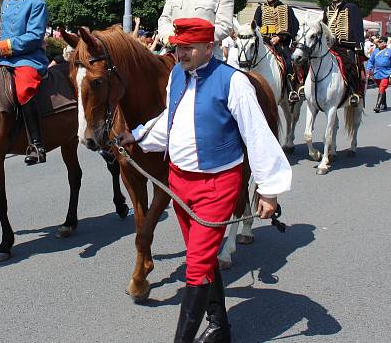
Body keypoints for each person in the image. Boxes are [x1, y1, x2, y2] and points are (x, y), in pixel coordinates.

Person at [117, 18, 292, 343]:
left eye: (188, 47)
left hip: (217, 186)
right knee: (205, 260)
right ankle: (219, 328)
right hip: (180, 183)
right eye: (178, 46)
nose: (180, 53)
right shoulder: (177, 77)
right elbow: (172, 123)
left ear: (209, 48)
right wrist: (137, 135)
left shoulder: (233, 82)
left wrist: (269, 189)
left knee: (195, 267)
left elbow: (257, 135)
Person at [0, 0, 49, 164]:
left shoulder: (37, 2)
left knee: (23, 90)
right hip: (4, 58)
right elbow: (10, 30)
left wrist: (4, 45)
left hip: (28, 58)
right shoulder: (6, 1)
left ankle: (36, 144)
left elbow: (33, 37)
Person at [253, 0, 300, 102]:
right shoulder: (260, 9)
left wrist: (280, 37)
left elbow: (293, 27)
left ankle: (292, 90)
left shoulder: (285, 8)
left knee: (289, 62)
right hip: (264, 42)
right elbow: (255, 26)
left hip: (279, 43)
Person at [322, 0, 365, 106]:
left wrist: (358, 47)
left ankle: (354, 93)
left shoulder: (350, 8)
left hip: (346, 47)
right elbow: (323, 28)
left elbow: (358, 28)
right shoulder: (327, 9)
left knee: (352, 66)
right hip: (330, 48)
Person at [366, 37, 391, 113]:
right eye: (378, 42)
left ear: (385, 43)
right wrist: (368, 70)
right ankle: (384, 104)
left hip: (386, 73)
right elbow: (371, 61)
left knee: (382, 88)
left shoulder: (390, 51)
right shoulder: (375, 51)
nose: (379, 43)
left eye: (380, 42)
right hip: (377, 73)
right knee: (381, 88)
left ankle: (377, 106)